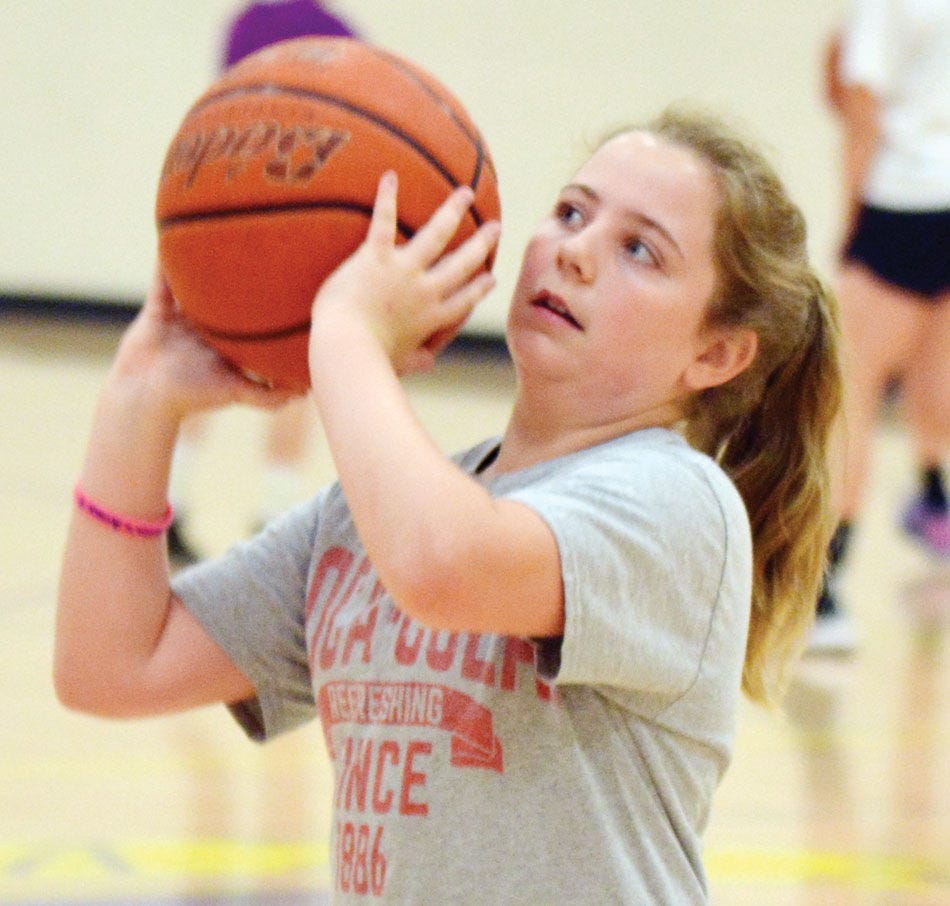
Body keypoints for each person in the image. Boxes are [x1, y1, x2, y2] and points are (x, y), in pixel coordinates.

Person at [55, 106, 842, 903]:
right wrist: (139, 400)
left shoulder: (681, 505)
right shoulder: (367, 519)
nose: (574, 251)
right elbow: (112, 667)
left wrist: (346, 334)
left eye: (640, 249)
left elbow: (443, 568)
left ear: (717, 352)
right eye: (572, 212)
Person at [168, 0, 359, 564]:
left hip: (236, 213)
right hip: (292, 219)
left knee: (208, 366)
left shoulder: (250, 25)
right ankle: (270, 515)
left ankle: (180, 500)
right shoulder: (336, 34)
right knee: (293, 372)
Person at [811, 0, 950, 655]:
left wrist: (851, 230)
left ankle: (823, 590)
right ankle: (934, 499)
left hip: (903, 206)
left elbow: (860, 111)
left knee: (852, 393)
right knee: (936, 373)